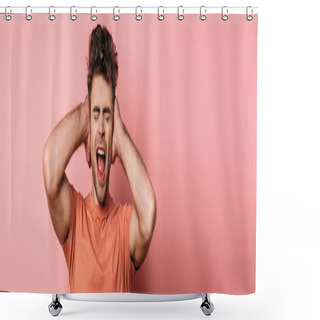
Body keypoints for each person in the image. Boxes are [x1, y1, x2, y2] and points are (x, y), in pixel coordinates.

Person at [42, 25, 157, 293]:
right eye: (96, 115)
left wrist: (118, 128)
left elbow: (149, 211)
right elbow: (50, 164)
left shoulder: (127, 224)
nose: (102, 127)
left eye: (107, 115)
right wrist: (88, 113)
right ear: (86, 148)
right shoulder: (73, 216)